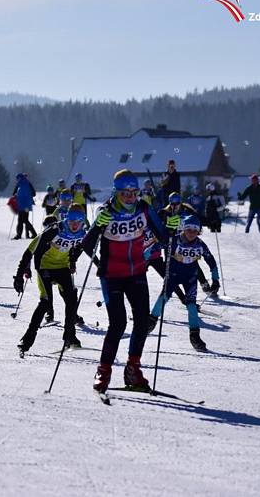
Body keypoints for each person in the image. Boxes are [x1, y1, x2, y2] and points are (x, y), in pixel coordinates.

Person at [81, 169, 167, 394]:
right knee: (118, 323)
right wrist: (98, 226)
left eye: (134, 192)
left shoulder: (144, 209)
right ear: (116, 192)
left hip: (137, 273)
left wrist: (174, 228)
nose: (130, 197)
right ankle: (104, 369)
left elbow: (164, 236)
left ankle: (133, 369)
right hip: (112, 276)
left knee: (141, 321)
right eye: (125, 193)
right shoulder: (106, 212)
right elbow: (87, 245)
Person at [16, 206, 87, 354]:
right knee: (45, 302)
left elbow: (81, 247)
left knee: (71, 299)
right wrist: (19, 276)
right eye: (72, 220)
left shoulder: (81, 233)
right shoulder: (53, 231)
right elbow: (29, 252)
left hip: (62, 267)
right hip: (44, 267)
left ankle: (69, 336)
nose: (75, 224)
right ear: (67, 219)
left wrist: (73, 260)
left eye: (79, 221)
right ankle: (27, 340)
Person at [148, 215, 219, 351]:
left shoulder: (200, 245)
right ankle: (150, 323)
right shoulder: (173, 240)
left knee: (191, 306)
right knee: (163, 298)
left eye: (195, 230)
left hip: (190, 278)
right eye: (188, 229)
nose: (192, 233)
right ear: (183, 229)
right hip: (173, 275)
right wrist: (143, 256)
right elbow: (155, 247)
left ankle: (195, 336)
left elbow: (211, 261)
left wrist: (215, 279)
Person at [159, 191, 213, 292]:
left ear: (180, 202)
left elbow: (198, 218)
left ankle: (203, 282)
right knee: (169, 264)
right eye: (172, 204)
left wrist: (210, 221)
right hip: (171, 242)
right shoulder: (165, 212)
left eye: (177, 204)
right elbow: (157, 225)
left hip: (186, 241)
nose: (174, 206)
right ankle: (169, 287)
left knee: (191, 262)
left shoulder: (187, 210)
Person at [12, 173, 37, 240]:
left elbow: (14, 193)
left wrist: (16, 196)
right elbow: (34, 193)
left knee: (22, 220)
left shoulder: (20, 184)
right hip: (25, 205)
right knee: (23, 220)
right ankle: (30, 234)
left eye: (17, 179)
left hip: (23, 205)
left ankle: (20, 235)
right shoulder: (27, 183)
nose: (17, 180)